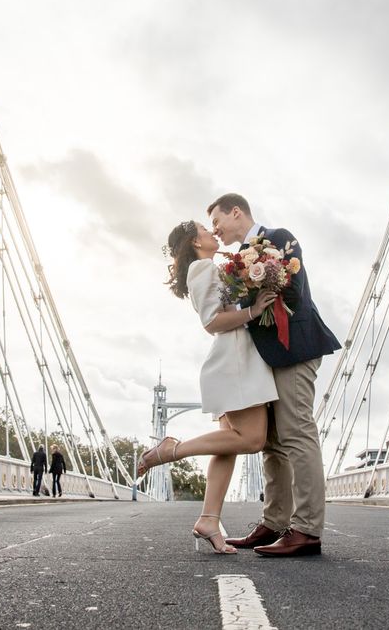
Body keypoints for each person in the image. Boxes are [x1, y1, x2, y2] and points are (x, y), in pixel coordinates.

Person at [207, 193, 341, 557]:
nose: (215, 229)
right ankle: (275, 521)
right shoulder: (233, 262)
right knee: (273, 442)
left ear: (237, 212)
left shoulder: (279, 237)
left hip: (295, 348)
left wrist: (254, 279)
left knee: (297, 432)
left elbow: (293, 289)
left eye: (217, 221)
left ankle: (307, 530)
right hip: (267, 359)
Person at [138, 219, 278, 554]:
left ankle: (209, 520)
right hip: (234, 362)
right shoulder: (202, 268)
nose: (212, 232)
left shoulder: (214, 267)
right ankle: (170, 449)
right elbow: (212, 322)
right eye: (205, 228)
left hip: (235, 361)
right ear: (194, 241)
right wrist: (254, 310)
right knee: (253, 439)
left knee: (226, 447)